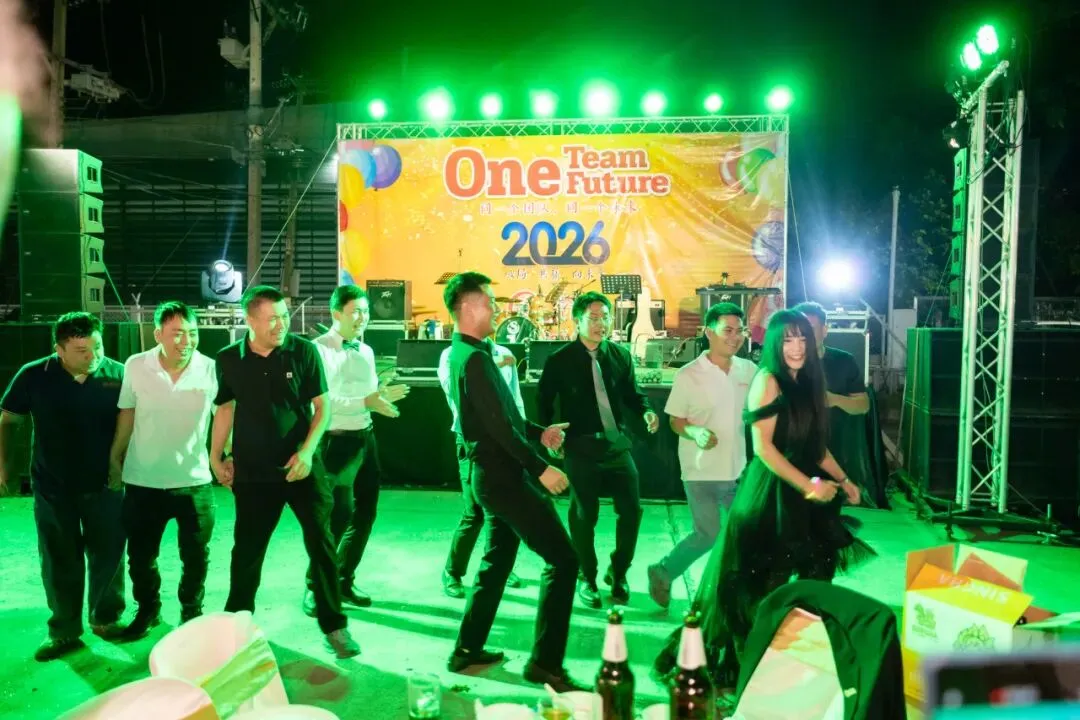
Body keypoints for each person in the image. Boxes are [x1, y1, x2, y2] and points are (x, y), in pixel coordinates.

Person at [654, 309, 870, 687]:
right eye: (788, 340)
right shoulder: (767, 380)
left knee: (816, 572)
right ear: (774, 344)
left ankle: (797, 652)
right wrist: (809, 485)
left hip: (805, 492)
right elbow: (765, 449)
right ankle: (756, 667)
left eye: (802, 338)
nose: (796, 347)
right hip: (771, 493)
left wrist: (844, 479)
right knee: (763, 585)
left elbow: (816, 446)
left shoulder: (809, 381)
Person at [443, 271, 585, 692]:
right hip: (503, 479)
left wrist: (540, 432)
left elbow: (504, 417)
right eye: (489, 302)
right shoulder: (472, 359)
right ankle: (545, 665)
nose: (496, 309)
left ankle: (466, 650)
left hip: (492, 477)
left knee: (496, 561)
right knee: (564, 560)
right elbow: (499, 430)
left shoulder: (472, 353)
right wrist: (541, 468)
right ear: (468, 308)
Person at [211, 285, 359, 659]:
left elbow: (322, 408)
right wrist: (217, 456)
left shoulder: (303, 351)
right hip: (254, 471)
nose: (281, 325)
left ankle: (334, 625)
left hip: (301, 467)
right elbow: (225, 408)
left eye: (284, 317)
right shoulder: (229, 359)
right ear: (249, 320)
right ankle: (237, 624)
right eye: (271, 319)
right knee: (247, 549)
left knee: (322, 542)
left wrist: (307, 452)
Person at [0, 312, 128, 660]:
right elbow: (9, 419)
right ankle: (64, 630)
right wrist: (5, 468)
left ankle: (106, 618)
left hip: (106, 485)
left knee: (109, 554)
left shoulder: (119, 375)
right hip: (53, 487)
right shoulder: (33, 375)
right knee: (59, 558)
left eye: (97, 347)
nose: (93, 357)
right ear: (59, 349)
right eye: (82, 351)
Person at [537, 291, 659, 608]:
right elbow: (544, 404)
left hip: (616, 445)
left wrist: (647, 411)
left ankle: (618, 572)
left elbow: (634, 395)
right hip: (580, 446)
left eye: (605, 317)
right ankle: (587, 577)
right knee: (583, 515)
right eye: (593, 318)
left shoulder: (620, 356)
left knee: (631, 511)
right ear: (576, 321)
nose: (600, 323)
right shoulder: (559, 360)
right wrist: (549, 436)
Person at [108, 302, 217, 637]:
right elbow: (127, 413)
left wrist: (223, 455)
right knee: (141, 556)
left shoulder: (210, 368)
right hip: (144, 480)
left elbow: (226, 415)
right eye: (177, 334)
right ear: (158, 334)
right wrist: (115, 457)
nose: (186, 341)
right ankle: (148, 610)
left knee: (196, 556)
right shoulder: (136, 365)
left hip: (194, 481)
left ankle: (191, 611)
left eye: (192, 333)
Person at [301, 284, 409, 615]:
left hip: (366, 437)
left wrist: (380, 398)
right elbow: (322, 402)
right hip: (334, 441)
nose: (362, 318)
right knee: (335, 518)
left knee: (365, 513)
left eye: (366, 311)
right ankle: (315, 585)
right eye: (355, 312)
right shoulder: (318, 350)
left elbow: (370, 394)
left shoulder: (367, 351)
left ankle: (344, 577)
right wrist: (366, 401)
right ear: (336, 313)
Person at [646, 303, 757, 609]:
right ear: (709, 332)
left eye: (740, 331)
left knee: (744, 537)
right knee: (708, 534)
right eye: (727, 330)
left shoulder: (749, 371)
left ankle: (732, 597)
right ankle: (663, 571)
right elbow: (675, 421)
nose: (735, 337)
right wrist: (696, 432)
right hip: (701, 471)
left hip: (739, 470)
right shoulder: (689, 375)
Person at [437, 336, 524, 598]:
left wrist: (522, 437)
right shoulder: (452, 355)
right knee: (474, 511)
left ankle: (499, 566)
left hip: (504, 439)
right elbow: (455, 391)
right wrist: (494, 366)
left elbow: (515, 399)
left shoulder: (503, 352)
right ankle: (452, 571)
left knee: (502, 510)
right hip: (470, 440)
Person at [793, 302, 876, 505]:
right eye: (799, 331)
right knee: (798, 506)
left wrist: (834, 399)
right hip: (796, 453)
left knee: (829, 508)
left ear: (825, 330)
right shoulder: (789, 363)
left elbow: (863, 405)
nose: (805, 336)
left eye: (811, 329)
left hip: (835, 451)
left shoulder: (844, 361)